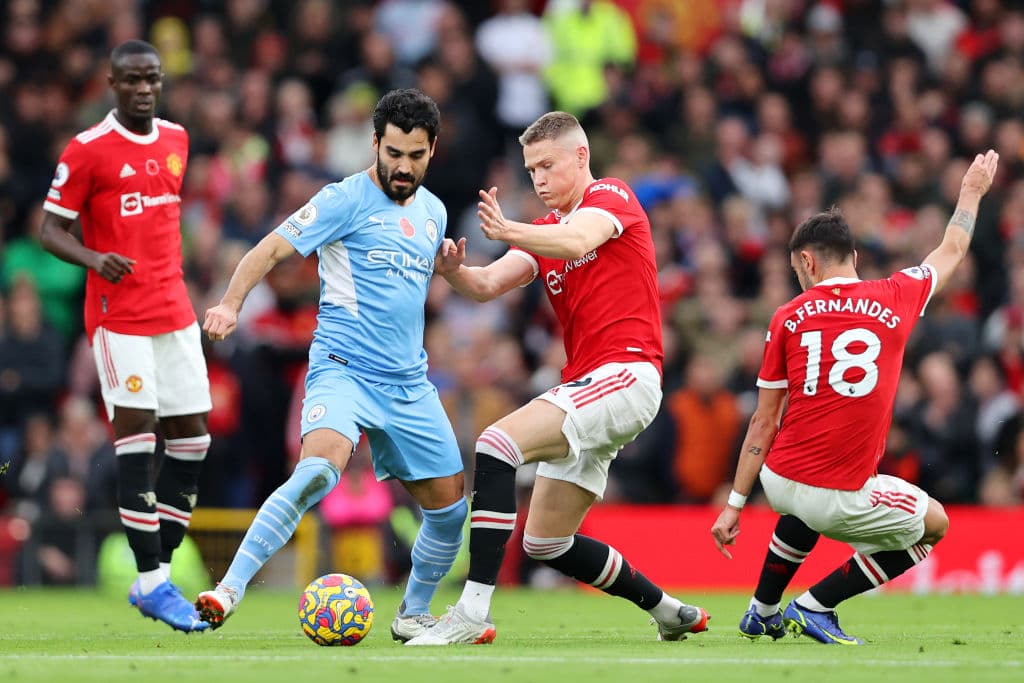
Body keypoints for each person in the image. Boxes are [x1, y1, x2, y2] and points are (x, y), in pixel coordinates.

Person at [406, 111, 709, 646]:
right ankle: (668, 610)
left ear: (581, 157)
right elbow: (487, 284)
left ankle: (473, 612)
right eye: (531, 170)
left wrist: (506, 228)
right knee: (546, 542)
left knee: (497, 444)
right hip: (590, 388)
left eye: (548, 165)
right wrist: (452, 269)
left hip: (626, 373)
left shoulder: (611, 197)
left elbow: (577, 241)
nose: (539, 179)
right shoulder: (544, 231)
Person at [195, 89, 468, 643]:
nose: (403, 166)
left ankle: (413, 614)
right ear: (375, 143)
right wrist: (230, 302)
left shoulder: (435, 212)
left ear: (432, 150)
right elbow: (269, 249)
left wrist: (507, 262)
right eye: (393, 152)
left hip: (409, 384)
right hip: (343, 369)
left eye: (415, 156)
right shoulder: (344, 199)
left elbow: (446, 287)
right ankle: (229, 589)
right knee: (318, 470)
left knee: (449, 512)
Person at [709, 150, 1000, 645]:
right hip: (840, 493)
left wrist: (735, 504)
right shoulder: (896, 294)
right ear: (855, 259)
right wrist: (970, 191)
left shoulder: (787, 315)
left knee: (802, 504)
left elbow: (763, 422)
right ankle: (815, 605)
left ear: (807, 261)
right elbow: (951, 248)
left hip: (780, 481)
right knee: (935, 525)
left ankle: (761, 610)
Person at [39, 40, 211, 633]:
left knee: (192, 441)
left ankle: (151, 574)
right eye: (132, 80)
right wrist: (93, 257)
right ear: (112, 84)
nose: (144, 88)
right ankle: (157, 582)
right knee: (137, 431)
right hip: (118, 318)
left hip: (176, 311)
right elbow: (48, 229)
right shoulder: (87, 151)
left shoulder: (177, 140)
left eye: (152, 79)